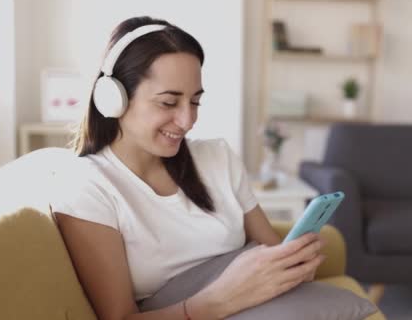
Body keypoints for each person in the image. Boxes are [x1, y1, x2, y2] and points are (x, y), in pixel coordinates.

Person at [52, 16, 325, 320]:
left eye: (195, 102)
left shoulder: (218, 157)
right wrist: (219, 301)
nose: (187, 121)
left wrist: (298, 262)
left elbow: (276, 255)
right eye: (169, 103)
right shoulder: (87, 186)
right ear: (113, 99)